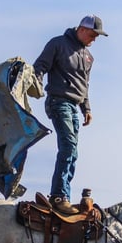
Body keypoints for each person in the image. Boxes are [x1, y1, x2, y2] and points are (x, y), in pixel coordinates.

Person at [33, 15, 108, 214]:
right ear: (82, 29)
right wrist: (36, 83)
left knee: (73, 152)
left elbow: (85, 86)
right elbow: (39, 66)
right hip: (58, 101)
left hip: (74, 106)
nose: (94, 39)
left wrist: (87, 109)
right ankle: (59, 196)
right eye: (93, 35)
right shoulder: (58, 44)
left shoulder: (88, 57)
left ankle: (63, 194)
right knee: (67, 145)